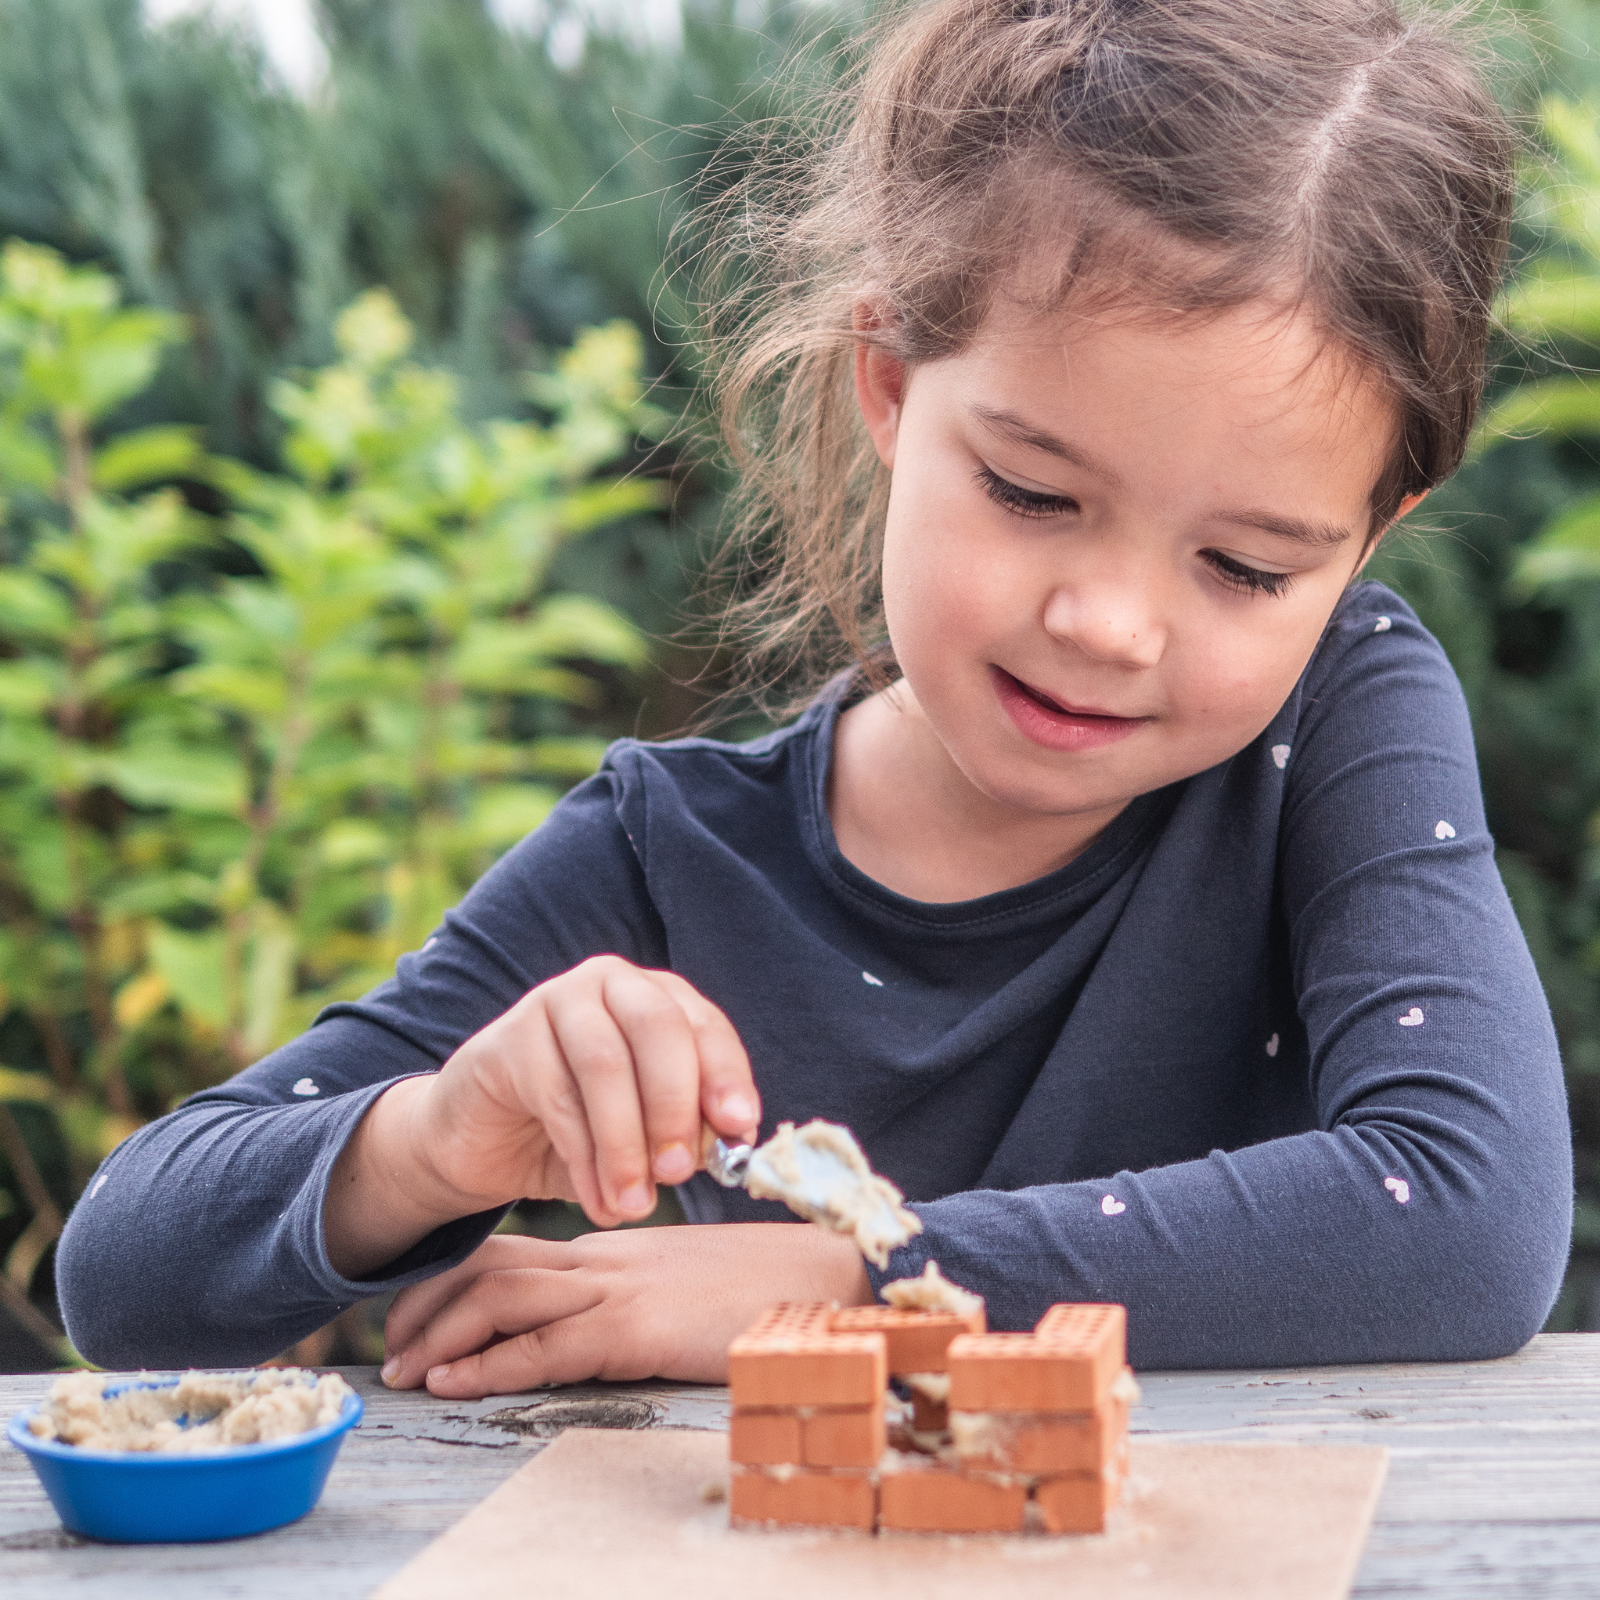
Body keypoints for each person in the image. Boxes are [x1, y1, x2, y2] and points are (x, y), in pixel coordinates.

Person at [57, 0, 1571, 1396]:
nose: (1107, 624)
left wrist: (862, 1274)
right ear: (892, 386)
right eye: (1034, 492)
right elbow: (126, 1271)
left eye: (1244, 566)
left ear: (1369, 539)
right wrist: (439, 1134)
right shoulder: (669, 859)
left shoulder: (1337, 723)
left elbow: (1460, 1212)